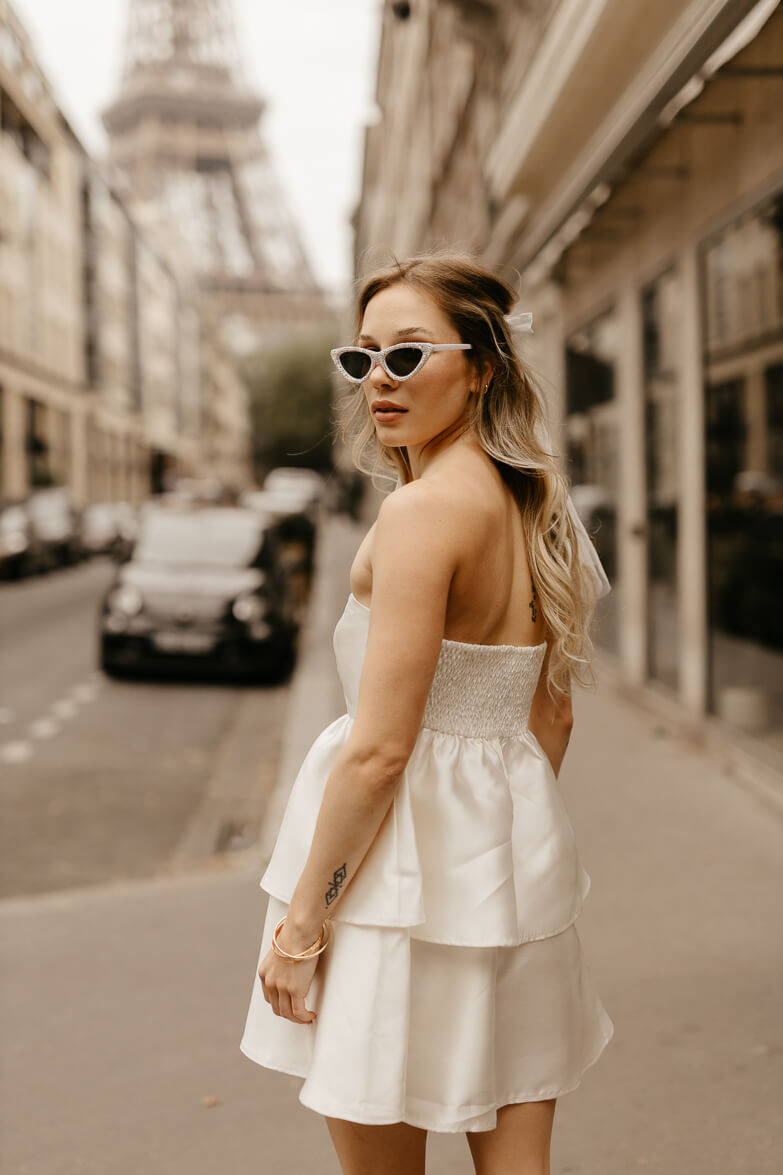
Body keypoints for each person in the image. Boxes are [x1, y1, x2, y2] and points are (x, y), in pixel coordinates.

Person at [240, 254, 614, 1174]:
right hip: (510, 871)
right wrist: (498, 831)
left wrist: (300, 929)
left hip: (388, 888)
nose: (378, 379)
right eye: (361, 356)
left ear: (481, 365)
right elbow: (551, 717)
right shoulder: (533, 506)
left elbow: (377, 751)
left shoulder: (419, 515)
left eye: (406, 356)